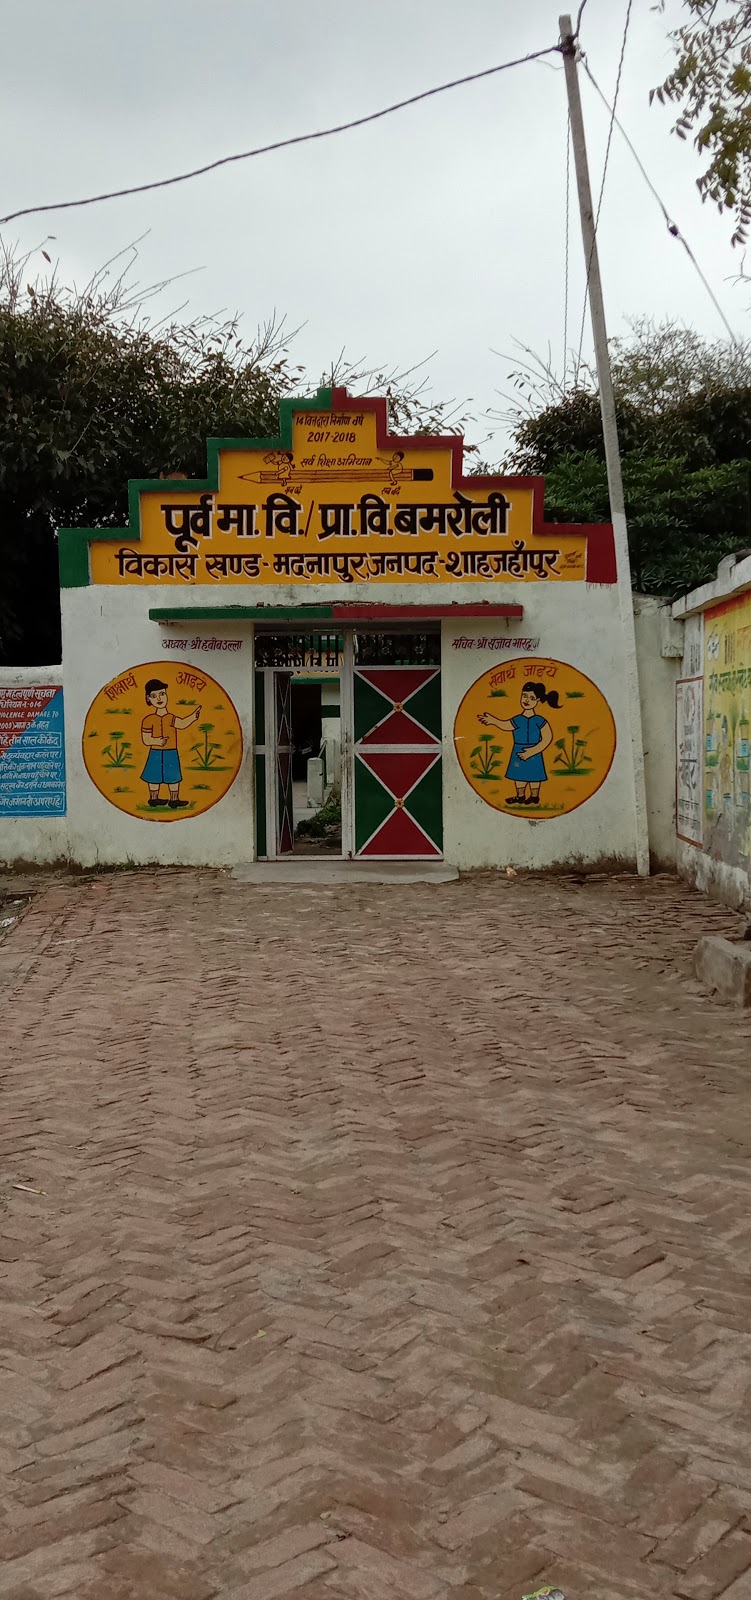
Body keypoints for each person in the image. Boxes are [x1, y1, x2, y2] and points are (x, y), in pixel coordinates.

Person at [479, 680, 560, 806]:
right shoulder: (518, 719)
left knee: (534, 775)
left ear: (537, 700)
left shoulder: (540, 720)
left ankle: (534, 797)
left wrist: (532, 751)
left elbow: (547, 738)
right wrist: (493, 721)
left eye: (531, 698)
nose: (527, 700)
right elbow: (506, 725)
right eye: (524, 696)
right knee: (519, 775)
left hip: (535, 752)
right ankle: (520, 796)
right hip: (518, 751)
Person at [140, 679, 201, 809]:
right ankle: (153, 798)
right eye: (154, 696)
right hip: (155, 752)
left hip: (171, 751)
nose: (159, 698)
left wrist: (193, 717)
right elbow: (146, 739)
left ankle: (174, 799)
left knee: (173, 775)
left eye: (162, 694)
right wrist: (157, 741)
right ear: (148, 698)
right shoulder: (148, 720)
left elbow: (182, 724)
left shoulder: (171, 718)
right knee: (153, 775)